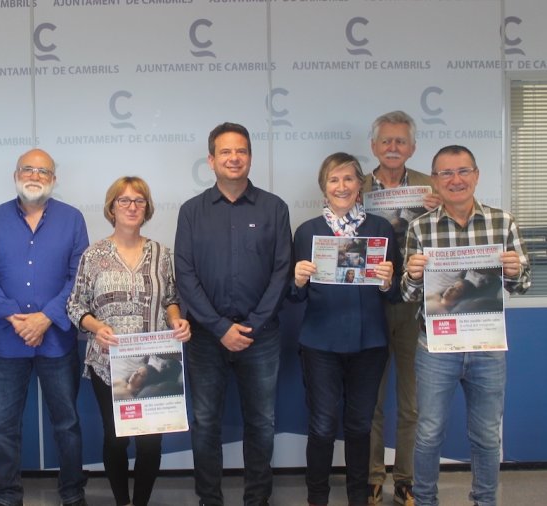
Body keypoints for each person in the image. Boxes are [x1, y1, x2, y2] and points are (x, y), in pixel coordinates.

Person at [402, 145, 530, 506]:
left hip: (487, 346)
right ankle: (425, 501)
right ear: (436, 181)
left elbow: (522, 284)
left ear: (476, 175)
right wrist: (412, 277)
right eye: (446, 173)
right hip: (435, 348)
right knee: (428, 434)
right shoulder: (419, 228)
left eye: (463, 171)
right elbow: (408, 295)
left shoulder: (502, 223)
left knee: (488, 436)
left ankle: (484, 501)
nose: (455, 180)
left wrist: (514, 271)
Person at [175, 122, 292, 506]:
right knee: (206, 423)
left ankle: (257, 498)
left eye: (240, 151)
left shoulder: (274, 208)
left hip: (261, 336)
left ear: (250, 157)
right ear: (211, 160)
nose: (234, 158)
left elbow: (281, 271)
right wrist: (220, 327)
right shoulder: (191, 211)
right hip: (207, 338)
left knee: (261, 423)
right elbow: (186, 275)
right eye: (225, 152)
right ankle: (210, 498)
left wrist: (251, 325)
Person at [67, 176, 191, 506]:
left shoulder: (162, 254)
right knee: (116, 438)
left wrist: (177, 319)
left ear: (147, 208)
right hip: (108, 363)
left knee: (150, 443)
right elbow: (75, 305)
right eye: (124, 200)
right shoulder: (93, 255)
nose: (132, 207)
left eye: (139, 201)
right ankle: (122, 501)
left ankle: (141, 503)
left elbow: (172, 300)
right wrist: (95, 327)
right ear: (111, 208)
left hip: (152, 360)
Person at [0, 148, 89, 506]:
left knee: (66, 423)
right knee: (3, 427)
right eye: (28, 169)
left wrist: (45, 318)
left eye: (43, 171)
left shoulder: (73, 219)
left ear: (54, 180)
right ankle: (9, 495)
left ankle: (72, 494)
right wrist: (13, 316)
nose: (35, 175)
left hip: (57, 339)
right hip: (8, 341)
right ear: (15, 175)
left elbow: (79, 276)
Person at [291, 153, 401, 506]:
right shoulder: (307, 231)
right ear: (324, 187)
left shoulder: (381, 229)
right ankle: (317, 498)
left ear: (360, 186)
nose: (341, 186)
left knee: (359, 426)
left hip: (369, 343)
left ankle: (359, 498)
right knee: (322, 426)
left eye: (349, 179)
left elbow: (398, 293)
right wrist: (297, 280)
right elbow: (294, 296)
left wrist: (387, 282)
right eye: (334, 180)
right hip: (320, 343)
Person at [365, 111, 442, 506]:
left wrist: (437, 210)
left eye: (401, 142)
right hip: (370, 304)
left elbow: (452, 238)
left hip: (416, 303)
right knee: (372, 401)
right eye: (386, 141)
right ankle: (373, 477)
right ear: (374, 146)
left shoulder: (434, 188)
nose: (393, 148)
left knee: (411, 401)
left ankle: (406, 479)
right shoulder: (355, 185)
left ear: (412, 148)